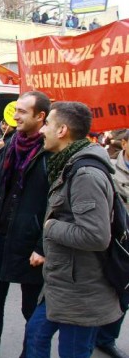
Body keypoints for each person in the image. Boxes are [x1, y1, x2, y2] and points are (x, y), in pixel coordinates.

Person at [25, 101, 123, 357]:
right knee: (35, 337)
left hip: (81, 291)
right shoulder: (69, 164)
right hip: (62, 283)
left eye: (47, 124)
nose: (42, 129)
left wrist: (51, 227)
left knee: (72, 351)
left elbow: (95, 236)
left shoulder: (85, 174)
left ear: (62, 130)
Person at [0, 91, 51, 358]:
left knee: (31, 308)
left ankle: (29, 354)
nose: (15, 116)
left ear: (40, 116)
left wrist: (42, 245)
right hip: (0, 236)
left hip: (30, 244)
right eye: (15, 110)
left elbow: (56, 206)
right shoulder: (10, 145)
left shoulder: (50, 153)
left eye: (22, 111)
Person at [96, 129, 129, 358]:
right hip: (114, 241)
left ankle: (107, 338)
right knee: (108, 290)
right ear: (124, 143)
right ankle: (96, 336)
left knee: (125, 296)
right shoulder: (107, 166)